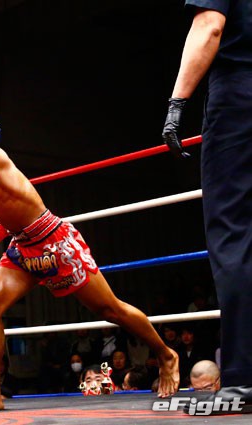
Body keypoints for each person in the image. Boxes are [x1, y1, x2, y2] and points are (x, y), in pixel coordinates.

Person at [0, 120, 179, 412]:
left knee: (109, 310)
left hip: (53, 240)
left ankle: (166, 355)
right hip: (23, 245)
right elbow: (9, 204)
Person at [162, 0, 252, 412]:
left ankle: (244, 380)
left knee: (234, 235)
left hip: (240, 96)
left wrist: (176, 104)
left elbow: (210, 25)